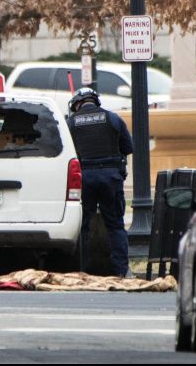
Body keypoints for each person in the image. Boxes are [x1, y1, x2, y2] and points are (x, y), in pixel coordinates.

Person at [66, 87, 133, 278]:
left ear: (78, 103)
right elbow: (128, 147)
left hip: (84, 179)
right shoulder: (113, 119)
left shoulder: (71, 123)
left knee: (82, 225)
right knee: (115, 225)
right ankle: (120, 271)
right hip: (111, 178)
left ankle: (82, 271)